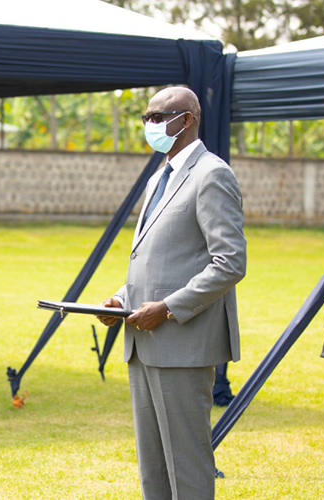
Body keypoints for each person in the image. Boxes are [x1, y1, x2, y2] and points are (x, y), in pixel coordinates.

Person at [98, 87, 246, 499]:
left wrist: (167, 308)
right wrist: (120, 300)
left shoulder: (212, 174)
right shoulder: (157, 179)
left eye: (160, 116)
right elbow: (158, 261)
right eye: (147, 116)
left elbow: (229, 263)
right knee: (154, 469)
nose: (151, 125)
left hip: (182, 342)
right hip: (141, 342)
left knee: (187, 466)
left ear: (189, 118)